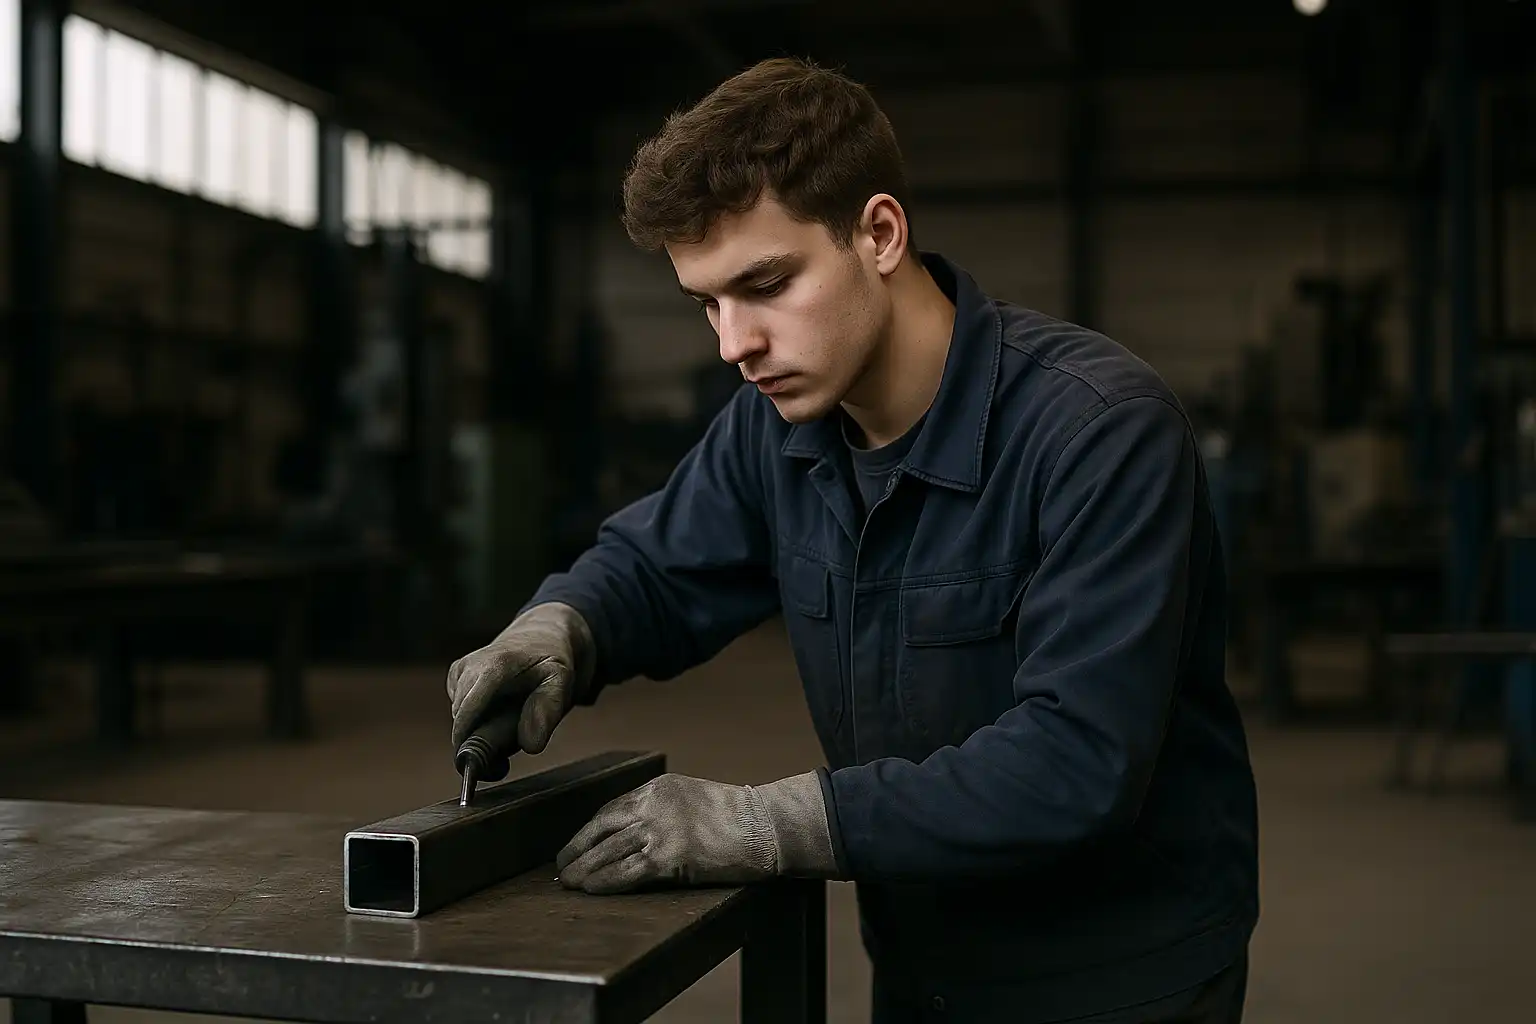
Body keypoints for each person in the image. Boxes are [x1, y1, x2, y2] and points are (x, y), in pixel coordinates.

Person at [445, 57, 1259, 1024]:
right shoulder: (779, 427)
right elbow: (658, 566)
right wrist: (558, 630)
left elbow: (1075, 762)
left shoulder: (1099, 432)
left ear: (879, 232)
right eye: (707, 302)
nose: (731, 343)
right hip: (921, 958)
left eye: (765, 284)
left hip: (1117, 977)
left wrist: (766, 824)